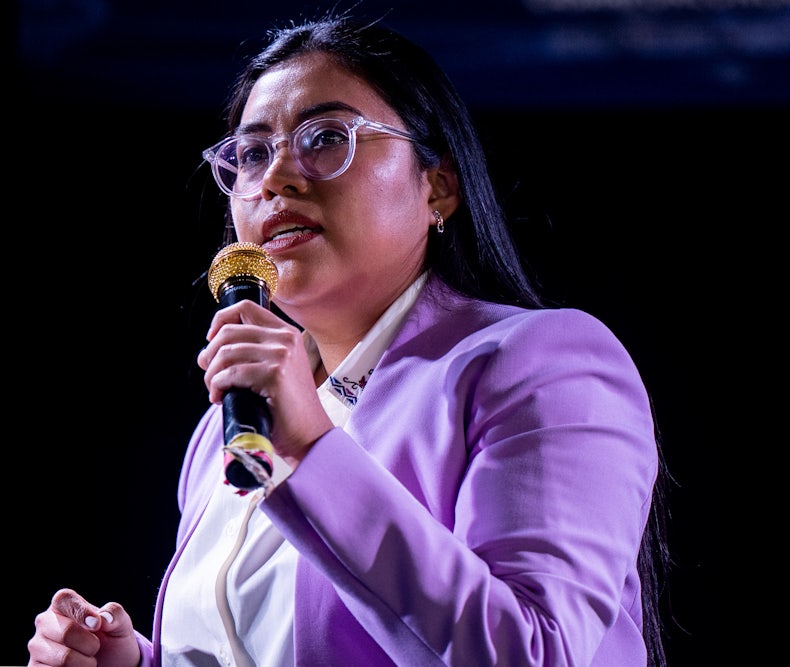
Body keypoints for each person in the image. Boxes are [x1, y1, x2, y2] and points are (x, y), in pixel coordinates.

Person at [28, 9, 670, 667]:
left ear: (438, 187)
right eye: (251, 154)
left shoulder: (541, 363)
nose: (276, 177)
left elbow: (534, 654)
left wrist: (309, 448)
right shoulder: (226, 424)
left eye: (327, 136)